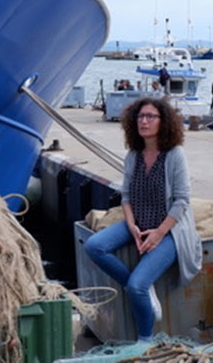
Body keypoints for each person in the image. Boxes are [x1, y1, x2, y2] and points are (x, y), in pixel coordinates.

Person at [84, 97, 202, 341]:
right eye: (140, 117)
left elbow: (182, 201)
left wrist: (158, 234)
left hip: (169, 230)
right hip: (137, 222)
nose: (144, 121)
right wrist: (131, 225)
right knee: (95, 246)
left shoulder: (175, 155)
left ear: (164, 121)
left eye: (150, 117)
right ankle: (144, 288)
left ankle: (144, 340)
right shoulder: (133, 155)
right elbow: (126, 196)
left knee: (136, 286)